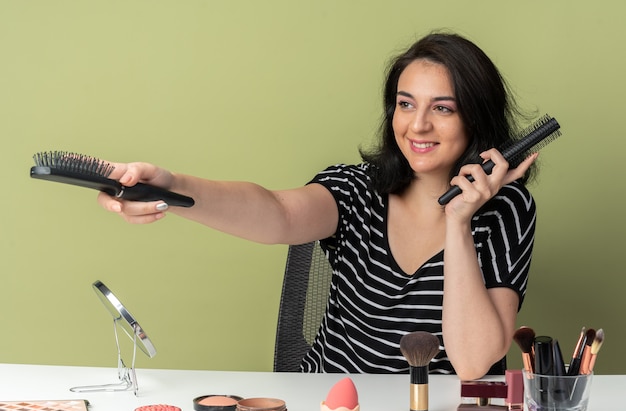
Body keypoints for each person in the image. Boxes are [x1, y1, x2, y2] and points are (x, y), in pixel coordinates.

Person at [98, 32, 538, 380]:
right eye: (406, 104)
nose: (417, 124)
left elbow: (473, 363)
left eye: (442, 108)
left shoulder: (507, 210)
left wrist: (458, 222)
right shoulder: (354, 189)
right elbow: (276, 213)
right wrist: (172, 187)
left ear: (475, 118)